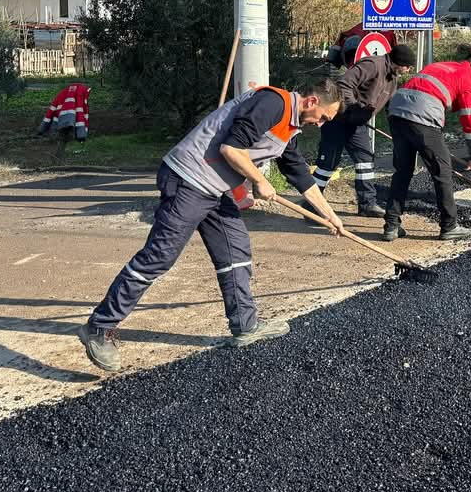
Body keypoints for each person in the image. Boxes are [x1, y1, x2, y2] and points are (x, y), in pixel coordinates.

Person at [78, 80, 345, 373]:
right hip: (189, 179)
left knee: (236, 251)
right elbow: (232, 148)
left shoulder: (290, 127)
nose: (320, 124)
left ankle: (246, 324)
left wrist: (330, 216)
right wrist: (259, 180)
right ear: (310, 102)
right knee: (160, 256)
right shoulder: (273, 104)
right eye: (323, 116)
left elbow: (300, 176)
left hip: (215, 188)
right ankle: (99, 327)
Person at [382, 46, 471, 242]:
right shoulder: (468, 80)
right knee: (443, 172)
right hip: (421, 116)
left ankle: (391, 226)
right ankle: (449, 226)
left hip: (397, 110)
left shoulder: (442, 66)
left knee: (403, 171)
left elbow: (441, 95)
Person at [309, 43, 416, 218]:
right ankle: (311, 204)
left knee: (365, 159)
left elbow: (389, 104)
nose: (408, 69)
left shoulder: (392, 79)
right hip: (338, 119)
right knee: (327, 164)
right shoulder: (372, 65)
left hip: (357, 124)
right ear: (400, 62)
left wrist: (399, 124)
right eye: (407, 66)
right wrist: (354, 107)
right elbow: (344, 84)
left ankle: (367, 204)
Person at [38, 83, 90, 152]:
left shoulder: (62, 94)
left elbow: (50, 113)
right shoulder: (79, 94)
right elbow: (81, 116)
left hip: (60, 124)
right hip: (68, 126)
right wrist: (81, 135)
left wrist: (42, 129)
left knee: (61, 143)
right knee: (62, 142)